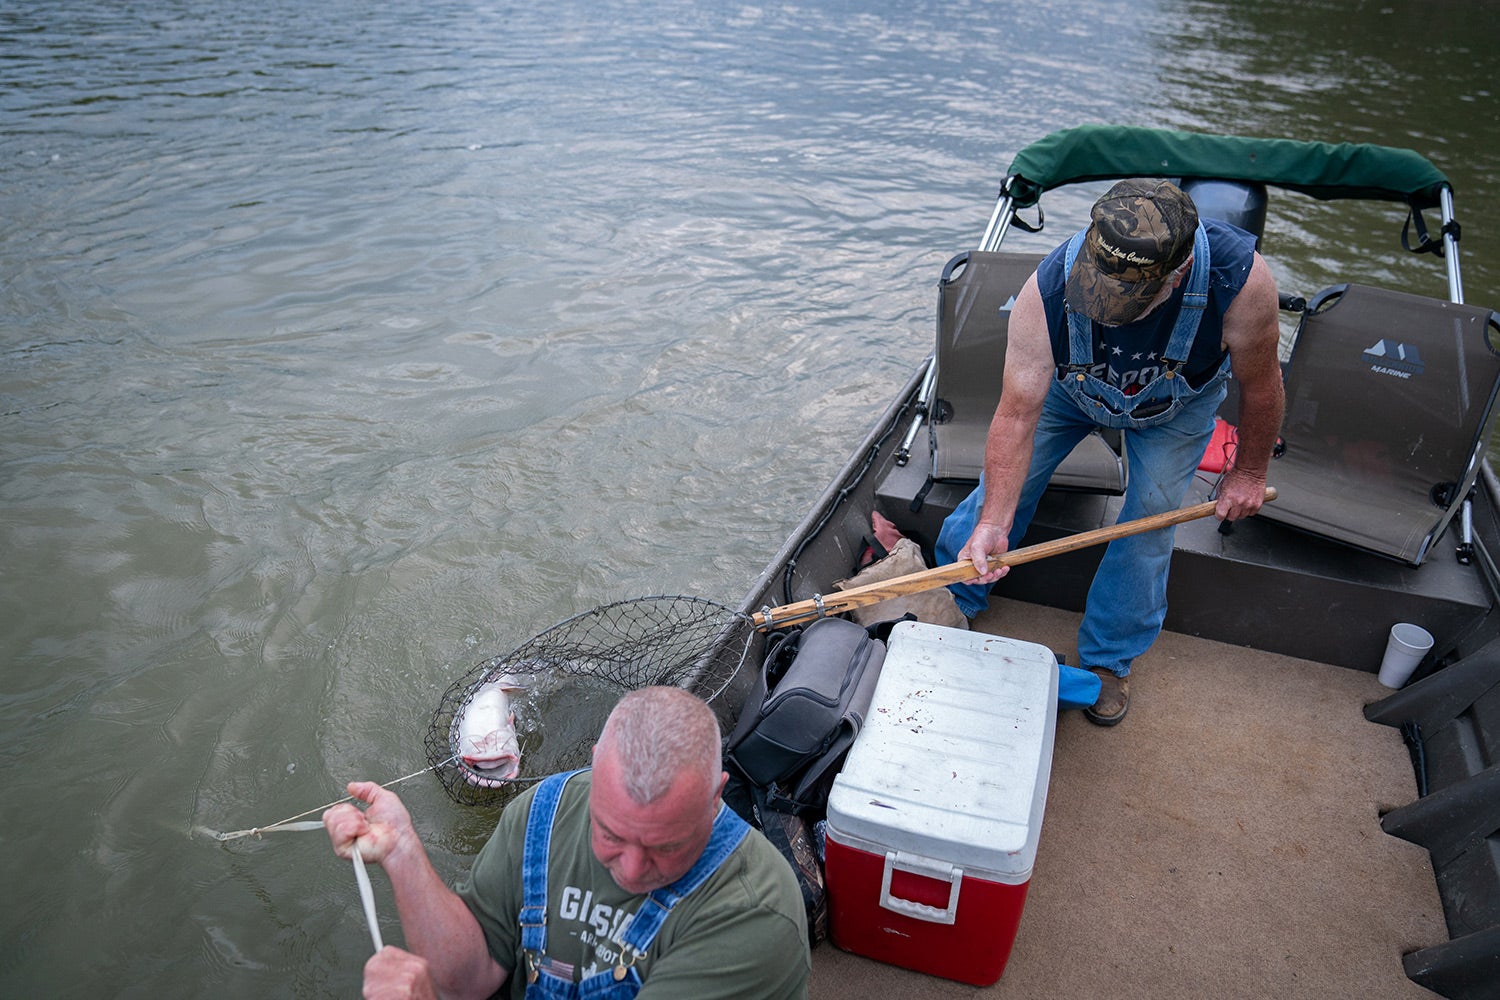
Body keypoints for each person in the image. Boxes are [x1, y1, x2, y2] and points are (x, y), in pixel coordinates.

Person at [936, 178, 1285, 726]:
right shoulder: (1046, 288)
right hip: (1069, 393)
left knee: (1150, 519)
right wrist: (995, 522)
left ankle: (1107, 658)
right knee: (996, 502)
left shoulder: (1241, 283)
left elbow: (1262, 388)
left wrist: (1249, 470)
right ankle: (953, 594)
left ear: (1179, 272)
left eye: (1125, 301)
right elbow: (1016, 413)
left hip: (1176, 408)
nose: (1103, 309)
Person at [324, 686, 811, 999]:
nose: (634, 870)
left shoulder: (755, 914)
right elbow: (469, 978)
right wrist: (402, 852)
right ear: (593, 769)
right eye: (611, 834)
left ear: (715, 798)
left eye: (666, 846)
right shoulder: (543, 812)